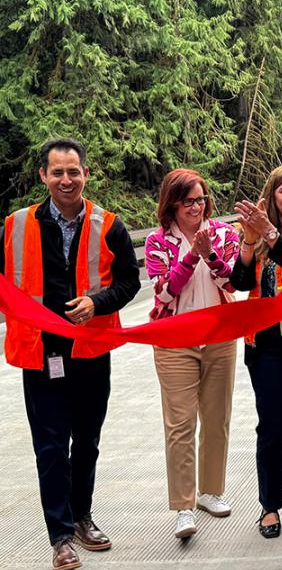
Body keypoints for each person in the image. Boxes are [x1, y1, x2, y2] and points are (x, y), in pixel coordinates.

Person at [0, 138, 140, 570]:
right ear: (43, 175)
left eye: (73, 171)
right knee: (50, 446)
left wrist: (97, 303)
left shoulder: (109, 225)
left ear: (85, 174)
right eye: (57, 172)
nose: (66, 179)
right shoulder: (14, 226)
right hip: (39, 354)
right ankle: (60, 536)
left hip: (90, 352)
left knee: (88, 443)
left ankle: (82, 517)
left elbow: (129, 283)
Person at [144, 169, 240, 539]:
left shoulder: (224, 234)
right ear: (172, 204)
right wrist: (190, 258)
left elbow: (230, 281)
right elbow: (164, 292)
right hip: (174, 338)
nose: (196, 208)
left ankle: (211, 491)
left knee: (216, 418)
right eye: (188, 202)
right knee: (180, 425)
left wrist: (209, 253)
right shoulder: (157, 242)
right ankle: (183, 507)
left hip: (218, 335)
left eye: (201, 200)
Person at [229, 165, 282, 538]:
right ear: (272, 196)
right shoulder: (254, 235)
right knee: (274, 428)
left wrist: (269, 231)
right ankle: (269, 506)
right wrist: (250, 240)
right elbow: (241, 282)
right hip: (266, 345)